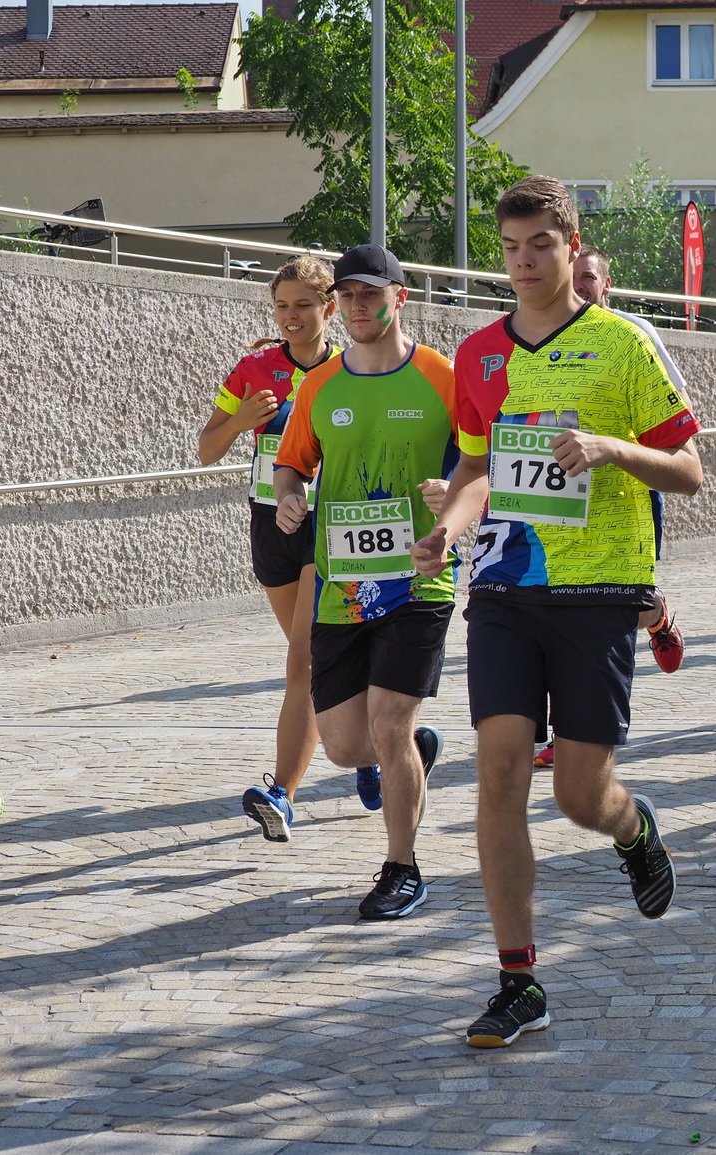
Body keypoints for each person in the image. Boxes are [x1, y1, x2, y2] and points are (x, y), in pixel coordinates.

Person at [414, 175, 702, 1048]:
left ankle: (634, 825)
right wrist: (446, 535)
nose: (525, 263)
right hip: (505, 586)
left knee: (580, 793)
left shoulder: (625, 344)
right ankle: (518, 980)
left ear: (573, 248)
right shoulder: (478, 355)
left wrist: (614, 447)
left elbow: (689, 470)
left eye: (541, 245)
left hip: (601, 587)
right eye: (509, 249)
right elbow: (477, 472)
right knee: (500, 768)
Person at [260, 244, 451, 919]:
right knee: (345, 745)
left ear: (401, 297)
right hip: (343, 583)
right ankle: (413, 759)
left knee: (390, 722)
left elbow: (482, 466)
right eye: (349, 295)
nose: (359, 306)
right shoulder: (319, 386)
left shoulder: (441, 377)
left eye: (372, 293)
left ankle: (402, 867)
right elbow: (291, 466)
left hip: (418, 581)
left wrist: (450, 494)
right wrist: (288, 497)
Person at [523, 246, 689, 770]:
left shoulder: (632, 335)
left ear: (606, 283)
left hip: (623, 497)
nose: (583, 285)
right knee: (545, 603)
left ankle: (657, 616)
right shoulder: (524, 338)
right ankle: (555, 732)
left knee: (629, 607)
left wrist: (617, 446)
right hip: (549, 498)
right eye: (578, 277)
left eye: (590, 278)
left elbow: (675, 422)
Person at [201, 258, 350, 837]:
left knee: (304, 661)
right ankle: (383, 748)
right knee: (318, 660)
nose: (291, 317)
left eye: (303, 306)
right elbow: (206, 449)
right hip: (271, 523)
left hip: (330, 527)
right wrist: (239, 421)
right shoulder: (253, 367)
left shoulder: (350, 368)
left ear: (328, 309)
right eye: (282, 306)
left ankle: (282, 792)